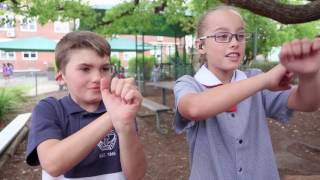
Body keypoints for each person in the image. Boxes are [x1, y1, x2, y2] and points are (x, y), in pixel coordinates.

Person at [173, 5, 320, 180]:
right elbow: (193, 108)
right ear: (201, 45)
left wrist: (309, 76)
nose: (234, 42)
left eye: (240, 35)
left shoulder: (253, 78)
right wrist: (265, 80)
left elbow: (307, 102)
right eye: (222, 36)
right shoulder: (190, 84)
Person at [26, 31, 146, 180]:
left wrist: (125, 124)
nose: (97, 77)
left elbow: (136, 175)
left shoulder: (121, 109)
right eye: (85, 69)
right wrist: (111, 116)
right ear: (61, 77)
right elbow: (52, 164)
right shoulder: (49, 109)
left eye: (105, 68)